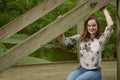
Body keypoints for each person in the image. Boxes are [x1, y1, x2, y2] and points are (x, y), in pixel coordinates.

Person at [58, 7, 114, 80]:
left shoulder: (101, 39)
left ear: (98, 26)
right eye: (89, 26)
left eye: (94, 25)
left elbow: (111, 25)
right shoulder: (81, 37)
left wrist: (104, 9)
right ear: (86, 27)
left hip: (95, 71)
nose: (91, 28)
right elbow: (63, 42)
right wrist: (60, 26)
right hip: (81, 69)